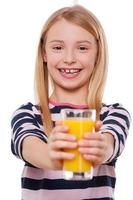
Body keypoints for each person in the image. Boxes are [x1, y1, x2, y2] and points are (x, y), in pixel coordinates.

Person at [11, 5, 131, 200]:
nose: (69, 59)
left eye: (82, 48)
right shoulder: (28, 114)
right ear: (44, 53)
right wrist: (52, 156)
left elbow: (110, 143)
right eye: (58, 47)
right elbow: (29, 146)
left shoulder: (112, 114)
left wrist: (101, 149)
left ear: (97, 54)